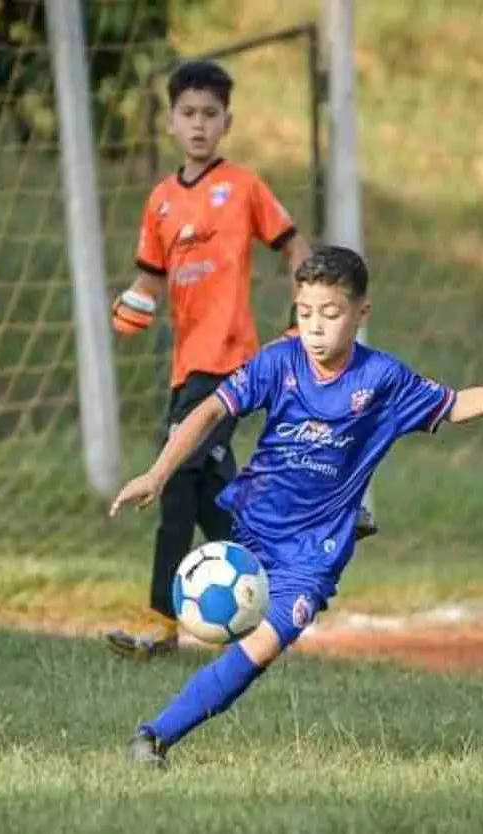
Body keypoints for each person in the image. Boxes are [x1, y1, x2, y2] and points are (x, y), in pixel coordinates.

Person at [109, 245, 483, 766]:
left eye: (330, 313)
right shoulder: (279, 362)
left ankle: (154, 737)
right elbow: (210, 410)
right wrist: (158, 472)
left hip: (312, 555)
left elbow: (453, 404)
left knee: (262, 647)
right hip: (250, 524)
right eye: (304, 313)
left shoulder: (383, 380)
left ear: (361, 313)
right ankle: (343, 515)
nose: (316, 327)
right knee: (230, 604)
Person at [106, 60, 311, 659]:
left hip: (229, 364)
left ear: (227, 122)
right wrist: (132, 306)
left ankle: (159, 621)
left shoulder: (244, 187)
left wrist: (305, 309)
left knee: (173, 484)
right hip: (185, 368)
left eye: (210, 114)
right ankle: (272, 599)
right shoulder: (161, 202)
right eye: (188, 113)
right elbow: (149, 280)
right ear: (171, 122)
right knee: (209, 492)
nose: (198, 124)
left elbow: (294, 245)